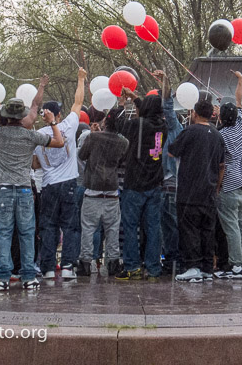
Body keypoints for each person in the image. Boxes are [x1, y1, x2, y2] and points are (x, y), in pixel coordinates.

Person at [0, 90, 65, 291]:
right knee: (27, 233)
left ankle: (2, 277)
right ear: (22, 116)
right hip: (24, 190)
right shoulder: (30, 136)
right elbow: (59, 142)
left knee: (2, 233)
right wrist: (52, 122)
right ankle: (28, 276)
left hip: (2, 189)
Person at [32, 68, 87, 280]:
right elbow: (78, 102)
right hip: (69, 184)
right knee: (71, 226)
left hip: (48, 186)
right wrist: (80, 79)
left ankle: (46, 268)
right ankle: (67, 267)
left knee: (48, 226)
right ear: (58, 115)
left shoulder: (37, 135)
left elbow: (35, 163)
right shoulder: (69, 125)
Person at [169, 98, 225, 282]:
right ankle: (207, 267)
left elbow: (172, 152)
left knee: (189, 229)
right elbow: (222, 164)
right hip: (209, 191)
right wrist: (216, 187)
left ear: (195, 113)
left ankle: (193, 265)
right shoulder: (217, 135)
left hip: (189, 190)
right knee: (207, 231)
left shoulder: (190, 131)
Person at [115, 89, 168, 281]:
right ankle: (153, 268)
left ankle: (132, 266)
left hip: (135, 183)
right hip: (155, 183)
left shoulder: (137, 125)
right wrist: (136, 98)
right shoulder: (163, 126)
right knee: (153, 227)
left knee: (130, 226)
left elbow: (118, 124)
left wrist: (122, 104)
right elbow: (149, 112)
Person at [77, 108, 129, 276]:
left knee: (88, 228)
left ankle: (85, 263)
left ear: (105, 121)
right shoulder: (124, 142)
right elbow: (122, 160)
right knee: (112, 229)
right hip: (112, 191)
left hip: (92, 190)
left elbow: (82, 155)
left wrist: (94, 136)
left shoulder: (93, 137)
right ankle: (113, 262)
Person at [214, 70, 242, 280]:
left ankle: (236, 265)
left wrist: (218, 187)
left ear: (220, 117)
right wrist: (241, 80)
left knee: (231, 226)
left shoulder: (220, 135)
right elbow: (239, 101)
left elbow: (221, 166)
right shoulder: (240, 126)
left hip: (227, 184)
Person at [156, 70, 182, 274]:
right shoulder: (162, 133)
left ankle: (174, 259)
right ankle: (170, 257)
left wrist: (166, 83)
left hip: (173, 186)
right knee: (166, 225)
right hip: (164, 186)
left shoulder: (175, 130)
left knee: (172, 224)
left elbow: (169, 107)